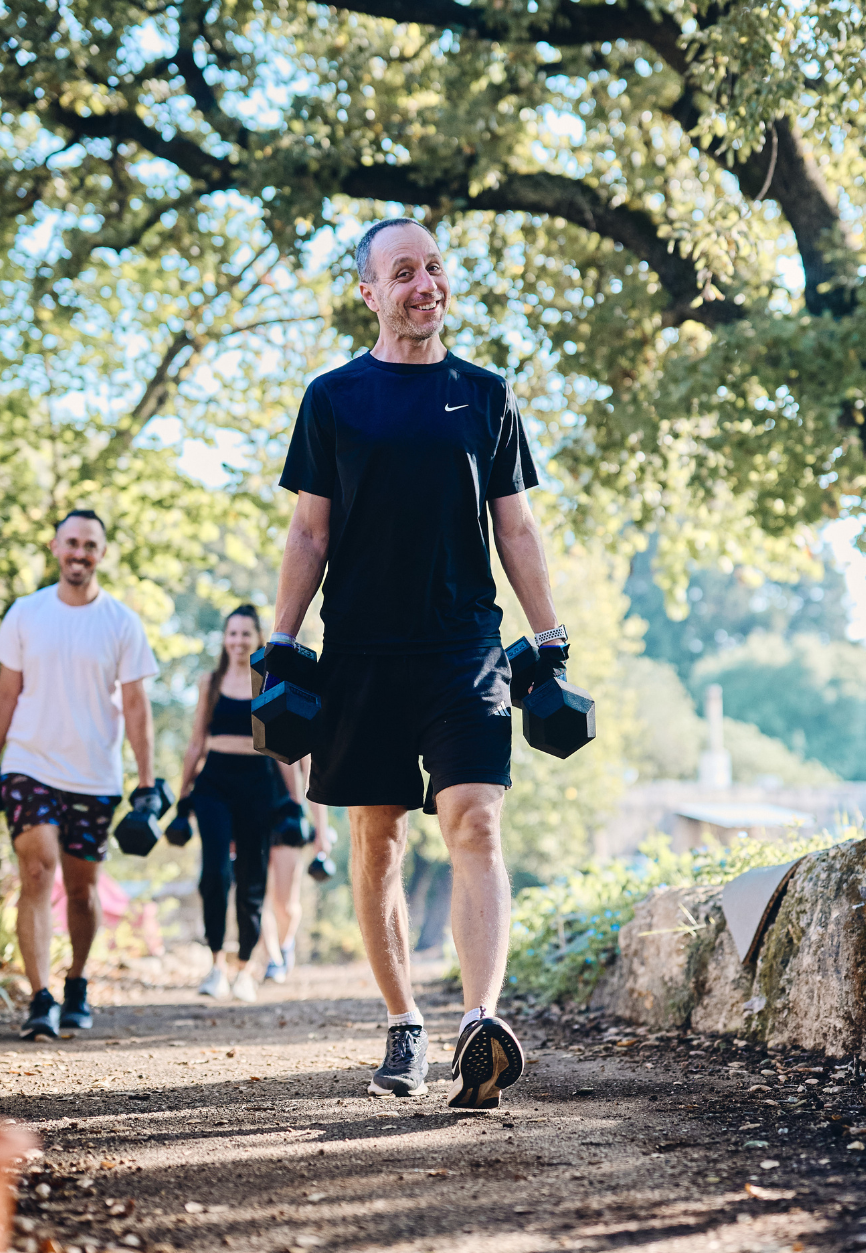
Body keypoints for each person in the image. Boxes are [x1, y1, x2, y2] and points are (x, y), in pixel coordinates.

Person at [268, 217, 571, 1109]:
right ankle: (406, 1024)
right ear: (368, 291)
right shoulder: (333, 398)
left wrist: (549, 637)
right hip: (361, 649)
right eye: (403, 272)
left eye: (434, 267)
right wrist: (284, 642)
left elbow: (514, 525)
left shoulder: (485, 394)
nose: (425, 284)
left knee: (474, 819)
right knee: (378, 837)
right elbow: (309, 530)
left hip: (464, 645)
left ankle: (481, 1020)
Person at [0, 510, 158, 1040]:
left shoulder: (121, 623)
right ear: (54, 546)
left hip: (95, 774)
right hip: (29, 764)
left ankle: (76, 983)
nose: (80, 552)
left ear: (101, 554)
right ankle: (40, 997)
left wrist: (147, 781)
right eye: (72, 542)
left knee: (83, 889)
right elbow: (6, 694)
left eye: (90, 544)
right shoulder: (24, 614)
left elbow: (137, 706)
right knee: (38, 870)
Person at [179, 604, 323, 1001]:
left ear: (257, 639)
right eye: (232, 634)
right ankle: (215, 965)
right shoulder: (210, 682)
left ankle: (244, 968)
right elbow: (195, 743)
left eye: (246, 634)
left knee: (252, 877)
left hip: (258, 784)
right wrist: (181, 798)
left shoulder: (269, 681)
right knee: (214, 874)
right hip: (213, 784)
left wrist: (295, 803)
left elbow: (285, 746)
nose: (238, 641)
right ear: (224, 639)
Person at [262, 757, 330, 983]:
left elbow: (314, 782)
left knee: (285, 905)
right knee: (256, 897)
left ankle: (284, 945)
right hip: (251, 813)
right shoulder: (244, 727)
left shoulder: (295, 726)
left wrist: (321, 830)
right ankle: (273, 959)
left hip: (288, 819)